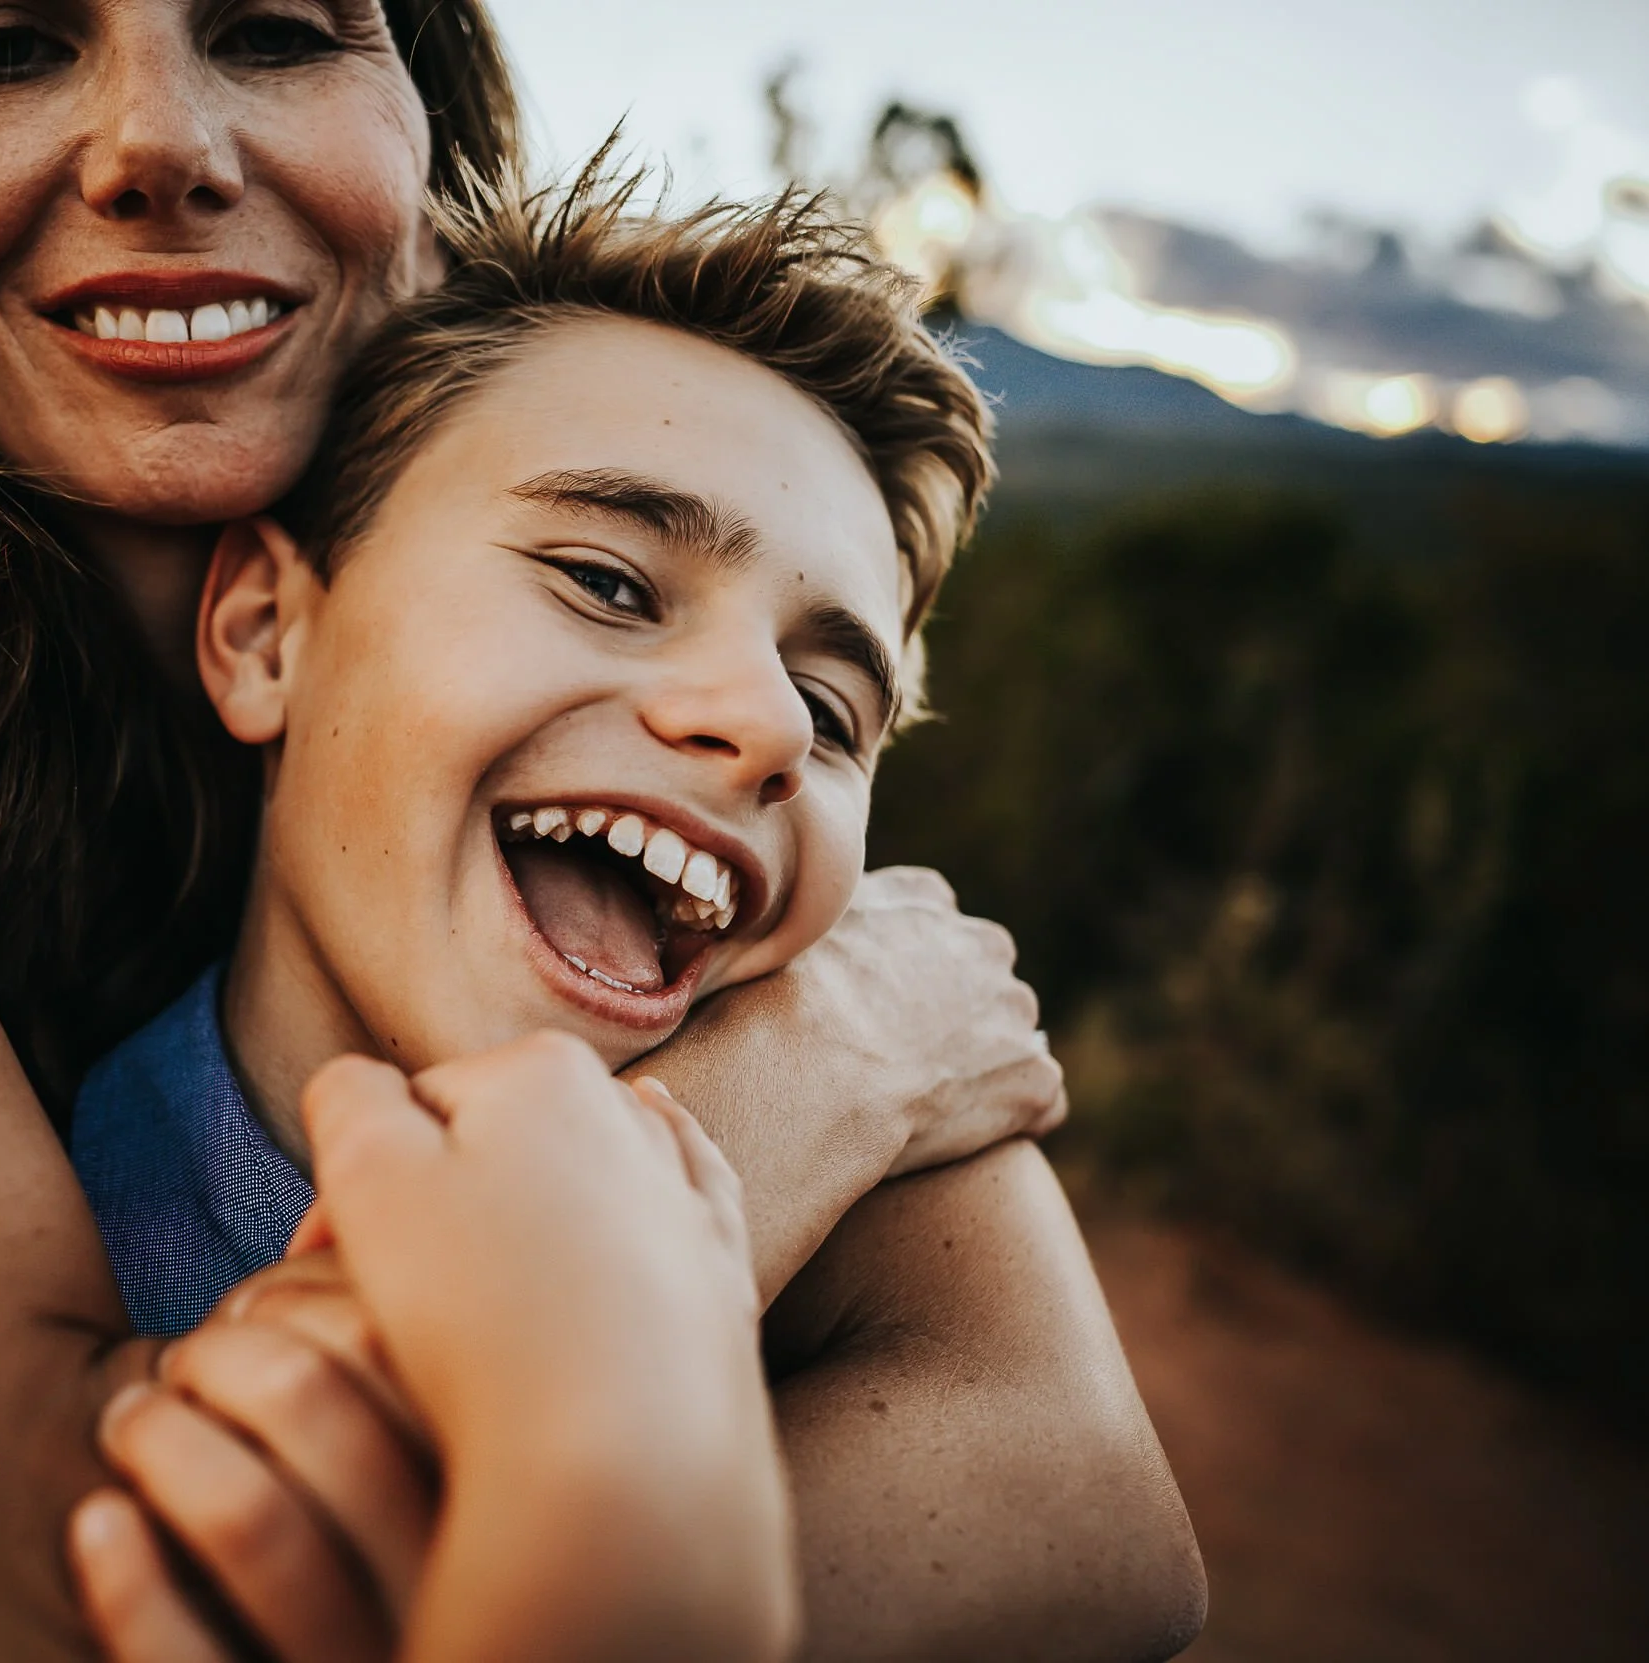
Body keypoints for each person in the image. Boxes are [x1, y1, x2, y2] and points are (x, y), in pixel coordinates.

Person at [0, 3, 1201, 1659]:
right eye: (2, 43)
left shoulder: (641, 807)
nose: (159, 142)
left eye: (280, 27)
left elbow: (1085, 1505)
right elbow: (14, 1611)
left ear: (424, 125)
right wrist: (774, 1109)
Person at [58, 170, 1196, 1660]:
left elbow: (1106, 1535)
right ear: (271, 631)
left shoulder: (891, 1155)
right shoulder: (1, 1191)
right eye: (606, 579)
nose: (766, 724)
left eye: (836, 710)